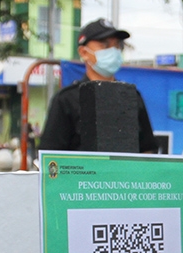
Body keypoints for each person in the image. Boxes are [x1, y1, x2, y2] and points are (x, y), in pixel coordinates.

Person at [37, 18, 158, 153]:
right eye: (105, 45)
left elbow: (148, 150)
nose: (113, 51)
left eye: (117, 46)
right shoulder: (66, 100)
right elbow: (51, 159)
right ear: (84, 52)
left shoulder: (132, 97)